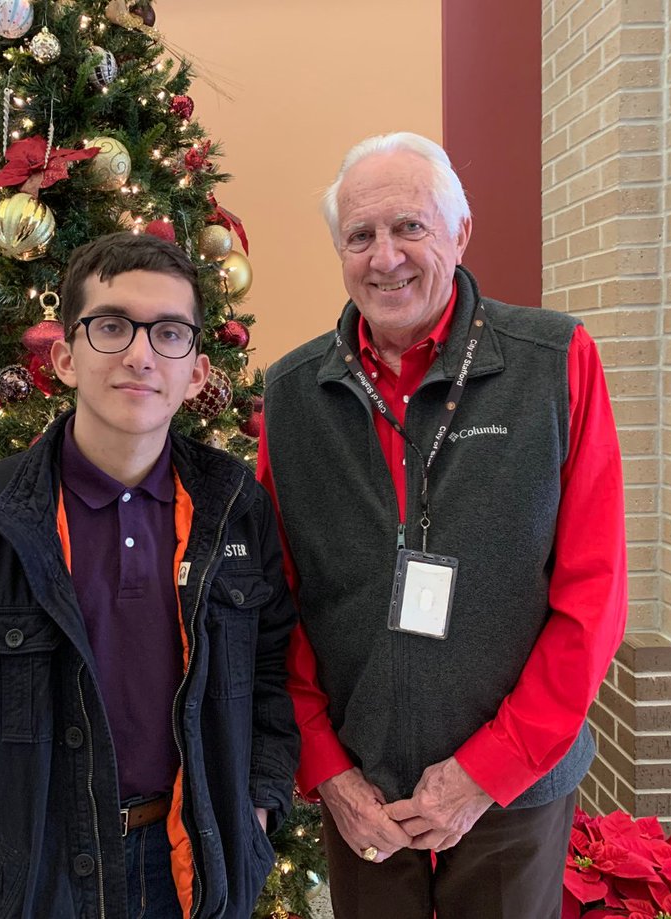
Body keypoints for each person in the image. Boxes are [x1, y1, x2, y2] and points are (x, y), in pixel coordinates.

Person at [0, 231, 299, 919]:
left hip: (194, 865)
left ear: (196, 370)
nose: (139, 353)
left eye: (168, 332)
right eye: (111, 325)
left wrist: (257, 809)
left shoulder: (236, 508)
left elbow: (273, 672)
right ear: (65, 357)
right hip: (39, 877)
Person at [257, 132, 627, 918]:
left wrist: (493, 765)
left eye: (409, 227)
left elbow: (593, 596)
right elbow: (275, 602)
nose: (384, 256)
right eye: (360, 235)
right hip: (363, 792)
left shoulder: (554, 362)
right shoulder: (291, 397)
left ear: (460, 232)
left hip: (511, 791)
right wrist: (327, 769)